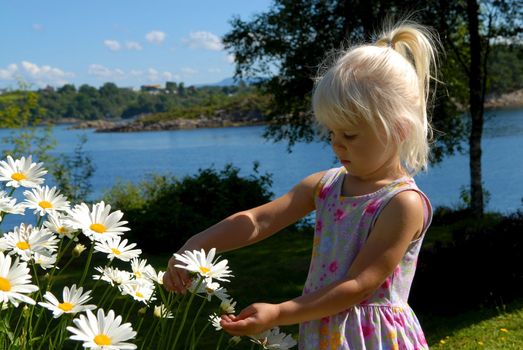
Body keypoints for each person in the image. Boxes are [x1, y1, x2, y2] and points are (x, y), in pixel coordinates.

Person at [163, 20, 440, 349]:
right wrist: (195, 246)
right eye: (332, 133)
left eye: (349, 134)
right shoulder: (325, 185)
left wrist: (280, 312)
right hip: (322, 329)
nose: (337, 145)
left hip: (374, 339)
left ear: (398, 129)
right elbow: (258, 220)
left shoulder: (401, 203)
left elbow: (358, 285)